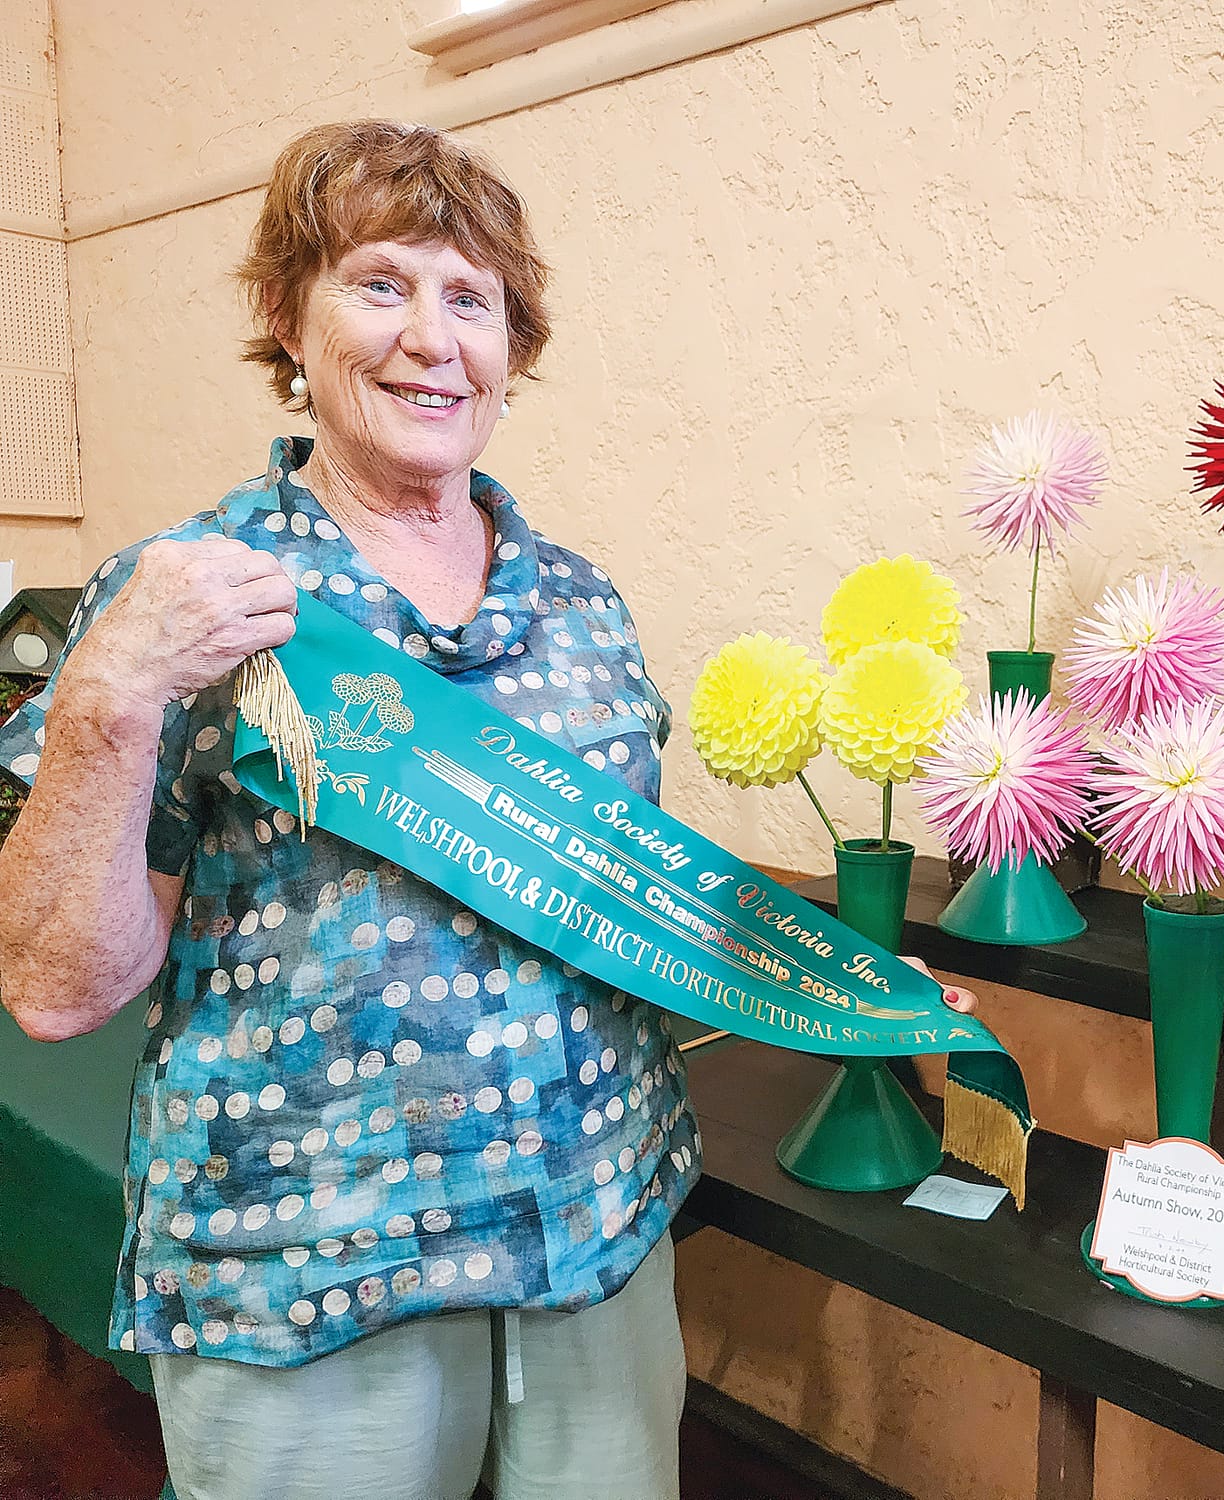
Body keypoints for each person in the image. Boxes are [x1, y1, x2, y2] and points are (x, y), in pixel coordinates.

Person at [0, 119, 971, 1500]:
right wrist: (108, 696)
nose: (430, 338)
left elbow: (625, 892)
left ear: (515, 348)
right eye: (380, 283)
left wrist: (852, 990)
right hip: (313, 1276)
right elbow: (52, 990)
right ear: (286, 315)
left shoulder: (580, 604)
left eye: (472, 300)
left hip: (594, 1236)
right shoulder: (189, 595)